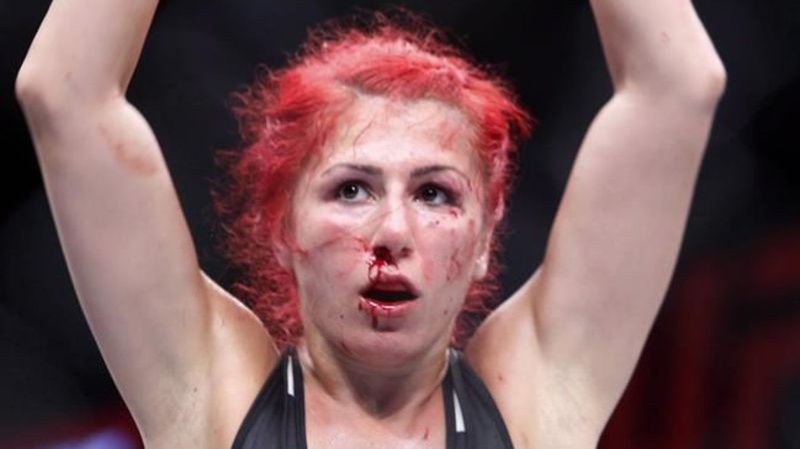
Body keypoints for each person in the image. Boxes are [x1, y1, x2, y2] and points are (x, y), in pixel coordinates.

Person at [15, 1, 725, 448]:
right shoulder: (211, 395)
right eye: (352, 189)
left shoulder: (532, 402)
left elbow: (679, 86)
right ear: (282, 227)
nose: (392, 232)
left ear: (484, 239)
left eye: (435, 194)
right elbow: (65, 92)